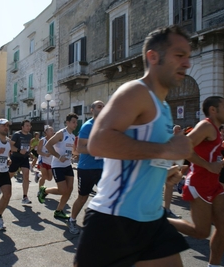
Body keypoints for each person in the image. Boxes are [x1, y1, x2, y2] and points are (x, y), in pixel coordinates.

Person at [74, 25, 193, 267]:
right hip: (114, 219)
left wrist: (160, 173)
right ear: (153, 56)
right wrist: (166, 151)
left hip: (151, 218)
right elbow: (98, 142)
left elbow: (139, 154)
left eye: (188, 57)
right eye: (179, 56)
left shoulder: (164, 107)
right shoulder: (135, 91)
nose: (187, 63)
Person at [169, 96, 224, 267]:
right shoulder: (206, 126)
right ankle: (158, 220)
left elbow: (210, 155)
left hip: (213, 184)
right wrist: (208, 165)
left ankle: (214, 265)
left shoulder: (216, 130)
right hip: (199, 183)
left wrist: (219, 163)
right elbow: (183, 147)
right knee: (201, 232)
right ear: (213, 110)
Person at [68, 101, 104, 235]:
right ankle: (72, 220)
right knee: (83, 197)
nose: (102, 109)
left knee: (106, 196)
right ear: (92, 109)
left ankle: (96, 219)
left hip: (103, 167)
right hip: (87, 168)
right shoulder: (88, 126)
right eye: (99, 106)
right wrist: (97, 149)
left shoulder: (107, 125)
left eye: (104, 107)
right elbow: (80, 148)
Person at [38, 113, 78, 220]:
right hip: (57, 166)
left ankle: (59, 211)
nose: (75, 124)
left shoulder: (73, 136)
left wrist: (75, 154)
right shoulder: (61, 133)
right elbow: (48, 145)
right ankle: (44, 190)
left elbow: (72, 150)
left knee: (69, 189)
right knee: (63, 190)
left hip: (67, 165)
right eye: (73, 122)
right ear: (67, 123)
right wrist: (58, 156)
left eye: (76, 122)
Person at [9, 120, 32, 204]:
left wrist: (30, 152)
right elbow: (10, 146)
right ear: (22, 127)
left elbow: (28, 145)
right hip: (15, 157)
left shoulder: (29, 135)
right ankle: (3, 185)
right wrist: (18, 150)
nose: (29, 127)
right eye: (27, 125)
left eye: (29, 126)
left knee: (26, 176)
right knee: (10, 175)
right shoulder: (17, 135)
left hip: (25, 158)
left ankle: (25, 197)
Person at [163, 125, 183, 219]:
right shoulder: (169, 138)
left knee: (169, 185)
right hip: (162, 163)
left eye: (180, 129)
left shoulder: (179, 140)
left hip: (169, 163)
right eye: (177, 129)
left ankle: (167, 210)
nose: (179, 130)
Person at [36, 125, 55, 190]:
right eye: (51, 130)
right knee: (44, 176)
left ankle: (38, 174)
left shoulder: (54, 141)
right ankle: (40, 191)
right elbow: (38, 151)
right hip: (43, 160)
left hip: (50, 161)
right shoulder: (42, 140)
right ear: (46, 132)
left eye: (53, 130)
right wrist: (45, 154)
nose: (53, 132)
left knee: (49, 178)